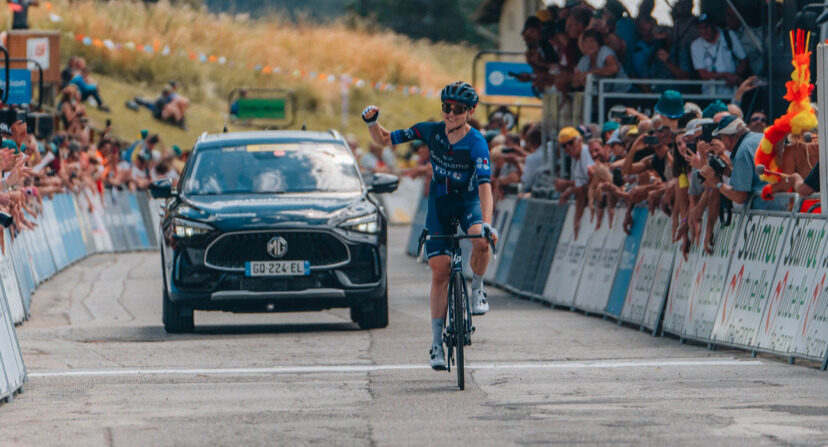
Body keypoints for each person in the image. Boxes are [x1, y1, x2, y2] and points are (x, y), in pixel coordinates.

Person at [361, 81, 497, 371]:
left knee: (481, 240)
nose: (450, 114)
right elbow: (385, 139)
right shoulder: (430, 131)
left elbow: (486, 186)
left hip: (468, 202)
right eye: (446, 108)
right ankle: (436, 342)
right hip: (440, 204)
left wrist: (486, 223)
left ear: (470, 112)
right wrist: (373, 123)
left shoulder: (477, 143)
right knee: (440, 272)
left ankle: (478, 289)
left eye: (458, 109)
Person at [690, 13, 748, 98]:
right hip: (708, 94)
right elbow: (703, 74)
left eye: (706, 27)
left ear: (713, 25)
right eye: (700, 28)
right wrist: (726, 75)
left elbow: (744, 59)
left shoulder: (729, 35)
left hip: (732, 93)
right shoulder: (695, 45)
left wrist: (737, 75)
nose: (704, 31)